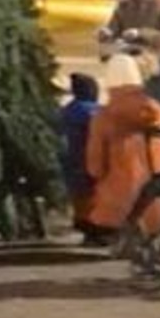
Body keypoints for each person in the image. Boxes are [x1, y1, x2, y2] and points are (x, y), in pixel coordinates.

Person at [82, 53, 160, 244]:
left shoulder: (104, 116)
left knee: (115, 220)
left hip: (116, 187)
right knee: (154, 223)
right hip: (151, 183)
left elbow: (95, 159)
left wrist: (95, 173)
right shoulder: (154, 109)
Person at [57, 71, 101, 232]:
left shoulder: (66, 110)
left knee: (79, 195)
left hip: (71, 159)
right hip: (90, 158)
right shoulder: (95, 111)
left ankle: (83, 224)